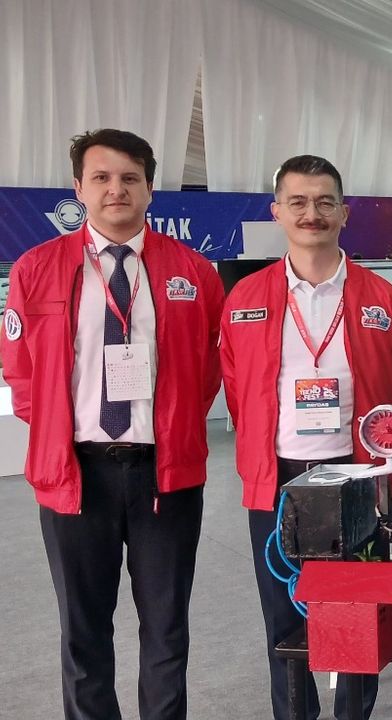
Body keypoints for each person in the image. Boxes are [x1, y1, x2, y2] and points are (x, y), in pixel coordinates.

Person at [0, 129, 224, 720]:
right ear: (78, 188)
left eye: (129, 178)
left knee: (166, 629)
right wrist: (57, 429)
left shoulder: (193, 271)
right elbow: (20, 371)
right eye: (101, 178)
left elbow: (208, 368)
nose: (115, 189)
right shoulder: (36, 268)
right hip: (76, 473)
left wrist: (172, 424)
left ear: (150, 188)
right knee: (83, 631)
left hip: (165, 475)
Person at [219, 155, 392, 720]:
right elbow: (237, 391)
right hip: (278, 481)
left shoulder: (383, 299)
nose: (311, 213)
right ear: (277, 212)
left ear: (344, 212)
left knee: (356, 618)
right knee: (283, 618)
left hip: (357, 478)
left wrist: (390, 450)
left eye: (324, 202)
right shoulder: (245, 299)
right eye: (298, 202)